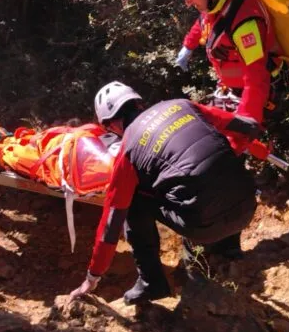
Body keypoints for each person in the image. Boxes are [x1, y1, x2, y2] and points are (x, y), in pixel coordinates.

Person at [67, 82, 261, 305]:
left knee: (133, 199)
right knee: (218, 158)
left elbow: (111, 225)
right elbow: (246, 126)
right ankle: (228, 248)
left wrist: (92, 278)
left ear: (111, 125)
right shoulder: (182, 105)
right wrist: (250, 148)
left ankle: (152, 282)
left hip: (205, 226)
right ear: (139, 103)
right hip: (247, 206)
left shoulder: (128, 151)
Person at [164, 0, 281, 152]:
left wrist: (244, 127)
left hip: (254, 98)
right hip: (230, 90)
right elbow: (205, 22)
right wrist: (188, 46)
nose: (188, 2)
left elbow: (257, 77)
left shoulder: (245, 23)